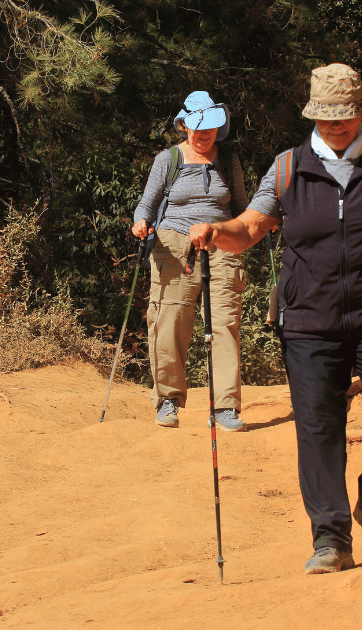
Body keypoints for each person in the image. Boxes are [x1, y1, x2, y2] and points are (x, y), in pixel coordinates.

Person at [189, 64, 362, 574]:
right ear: (314, 115)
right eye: (329, 118)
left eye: (348, 117)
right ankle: (330, 539)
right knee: (318, 423)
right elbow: (251, 227)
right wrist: (216, 231)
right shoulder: (290, 167)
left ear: (361, 112)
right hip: (308, 315)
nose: (338, 126)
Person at [132, 91, 249, 432]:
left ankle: (225, 407)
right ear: (183, 126)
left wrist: (255, 228)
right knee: (170, 321)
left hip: (221, 243)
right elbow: (146, 205)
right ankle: (167, 400)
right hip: (173, 246)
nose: (204, 135)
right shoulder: (168, 160)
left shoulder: (229, 161)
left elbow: (242, 209)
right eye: (197, 129)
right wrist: (141, 223)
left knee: (225, 324)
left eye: (210, 129)